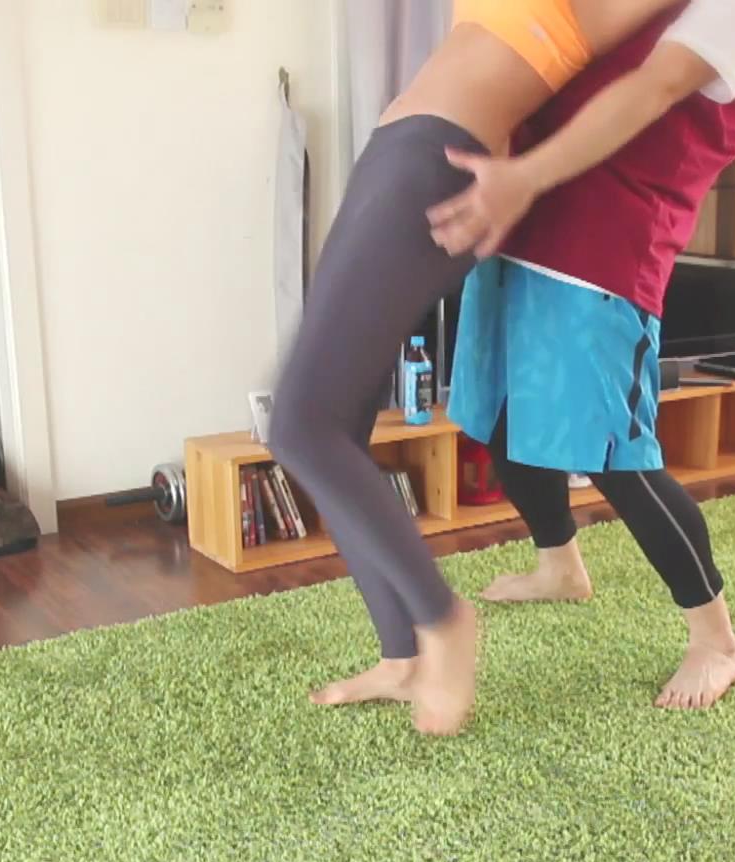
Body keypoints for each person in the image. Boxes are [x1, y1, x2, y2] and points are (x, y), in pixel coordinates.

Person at [267, 0, 704, 737]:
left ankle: (443, 620)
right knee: (330, 423)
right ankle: (402, 654)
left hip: (437, 159)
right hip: (396, 150)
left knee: (300, 425)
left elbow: (655, 84)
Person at [430, 2, 735, 710]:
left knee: (616, 457)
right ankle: (560, 565)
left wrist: (524, 175)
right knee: (502, 415)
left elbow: (655, 87)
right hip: (521, 213)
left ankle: (716, 641)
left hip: (607, 239)